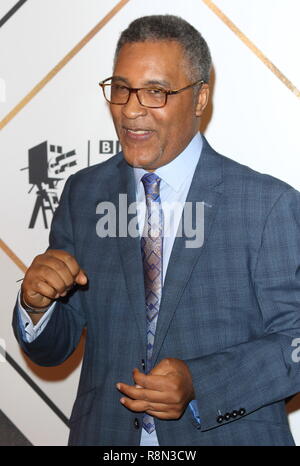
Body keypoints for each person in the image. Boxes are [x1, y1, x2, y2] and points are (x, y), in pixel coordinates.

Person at [13, 15, 300, 446]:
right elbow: (53, 347)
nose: (130, 108)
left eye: (155, 91)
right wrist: (36, 307)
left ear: (200, 98)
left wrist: (200, 382)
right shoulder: (83, 193)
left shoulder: (267, 203)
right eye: (121, 88)